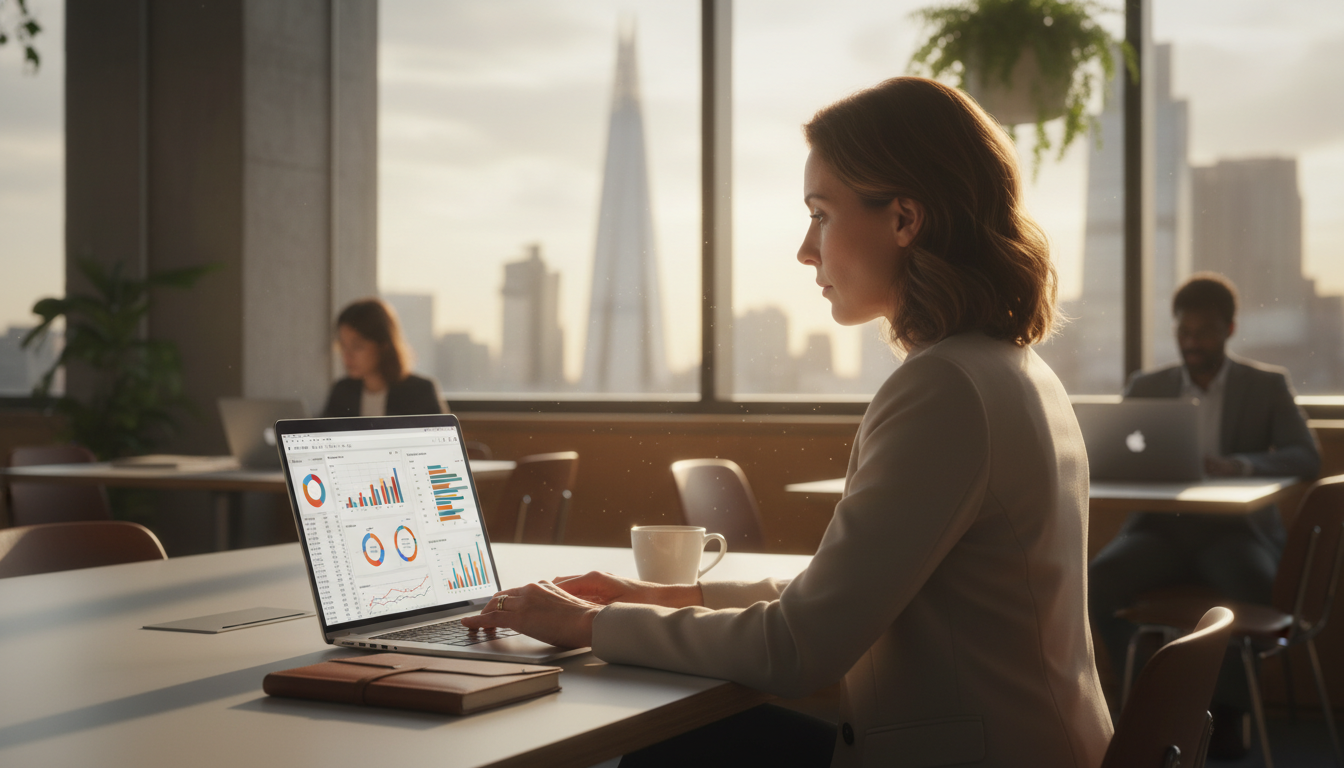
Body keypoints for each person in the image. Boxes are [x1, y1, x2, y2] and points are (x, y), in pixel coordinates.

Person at [462, 77, 1113, 768]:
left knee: (661, 752)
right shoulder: (1010, 369)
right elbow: (840, 596)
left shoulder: (945, 389)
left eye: (821, 215)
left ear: (904, 219)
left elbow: (800, 647)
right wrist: (667, 594)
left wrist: (592, 624)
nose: (806, 249)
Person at [1088, 272, 1320, 756]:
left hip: (1236, 532)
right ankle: (1152, 700)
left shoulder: (1266, 385)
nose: (1192, 343)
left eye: (1205, 332)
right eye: (1184, 332)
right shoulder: (1148, 386)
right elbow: (1110, 454)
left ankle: (1226, 715)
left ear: (1229, 329)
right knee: (1096, 584)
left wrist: (1241, 465)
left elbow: (1306, 455)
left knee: (1253, 587)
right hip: (1161, 532)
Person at [321, 298, 445, 418]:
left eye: (357, 346)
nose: (347, 355)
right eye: (343, 346)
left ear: (384, 346)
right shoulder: (342, 391)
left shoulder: (420, 392)